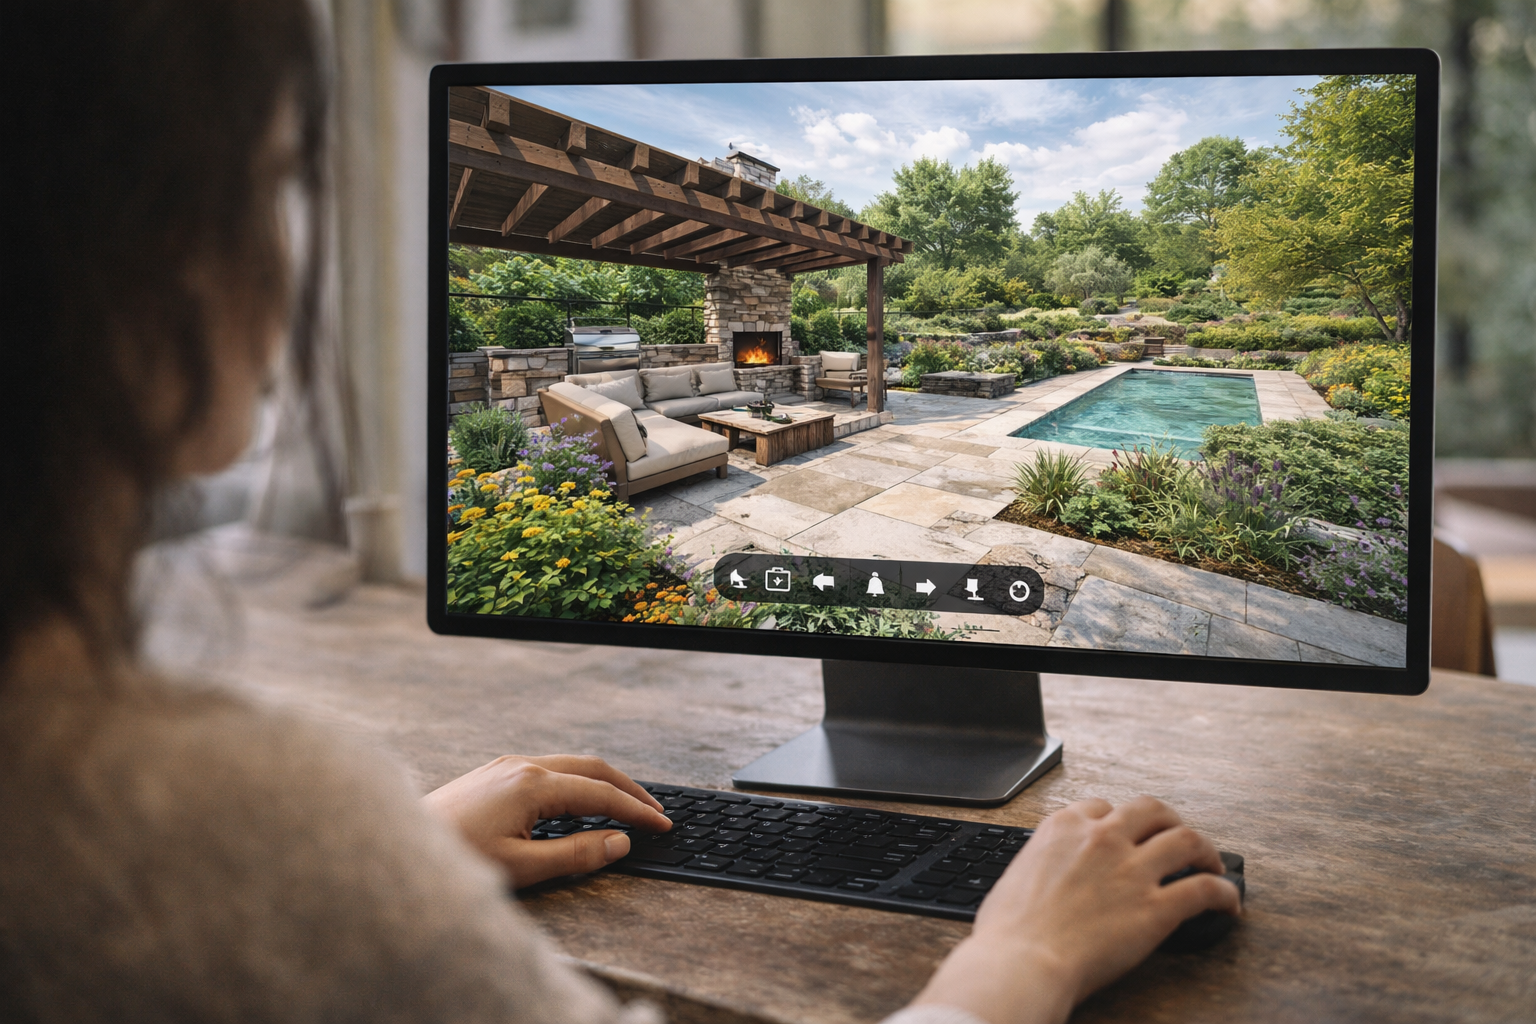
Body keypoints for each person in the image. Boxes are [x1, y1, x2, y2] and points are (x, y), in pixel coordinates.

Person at [0, 3, 1241, 1022]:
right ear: (144, 253)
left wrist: (389, 856)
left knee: (767, 405)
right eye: (269, 184)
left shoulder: (170, 816)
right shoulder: (189, 806)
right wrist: (1019, 962)